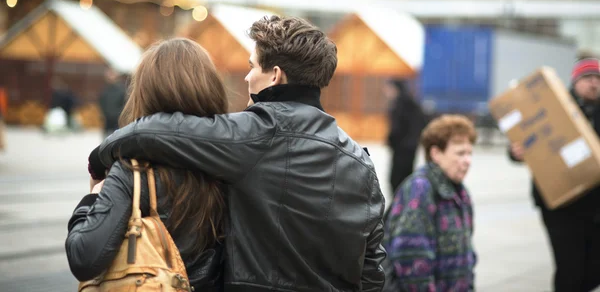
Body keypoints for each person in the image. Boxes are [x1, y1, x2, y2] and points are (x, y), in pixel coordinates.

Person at [88, 15, 387, 292]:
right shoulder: (360, 161)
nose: (246, 77)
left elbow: (152, 132)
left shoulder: (254, 134)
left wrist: (99, 160)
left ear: (275, 76)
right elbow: (372, 268)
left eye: (253, 66)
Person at [66, 38, 227, 291]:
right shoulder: (232, 162)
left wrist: (92, 199)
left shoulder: (134, 168)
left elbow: (84, 257)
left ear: (145, 92)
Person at [509, 58, 600, 292]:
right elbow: (525, 136)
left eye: (598, 79)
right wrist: (516, 151)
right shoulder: (551, 106)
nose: (594, 84)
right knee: (569, 268)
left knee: (593, 270)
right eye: (588, 78)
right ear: (575, 81)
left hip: (595, 202)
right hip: (559, 203)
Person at [383, 114, 477, 292]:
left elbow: (468, 257)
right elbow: (412, 261)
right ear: (436, 154)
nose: (467, 161)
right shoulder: (420, 189)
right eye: (460, 153)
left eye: (470, 153)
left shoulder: (460, 193)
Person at [386, 79, 428, 193]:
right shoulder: (412, 103)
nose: (386, 92)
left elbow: (396, 128)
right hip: (410, 147)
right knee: (406, 178)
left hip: (402, 148)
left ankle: (399, 205)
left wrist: (391, 140)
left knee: (397, 179)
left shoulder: (400, 105)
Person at [98, 68, 127, 138]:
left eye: (111, 74)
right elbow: (101, 103)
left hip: (118, 121)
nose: (109, 77)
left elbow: (125, 104)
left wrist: (119, 114)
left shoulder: (122, 90)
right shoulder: (105, 90)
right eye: (108, 75)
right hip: (107, 121)